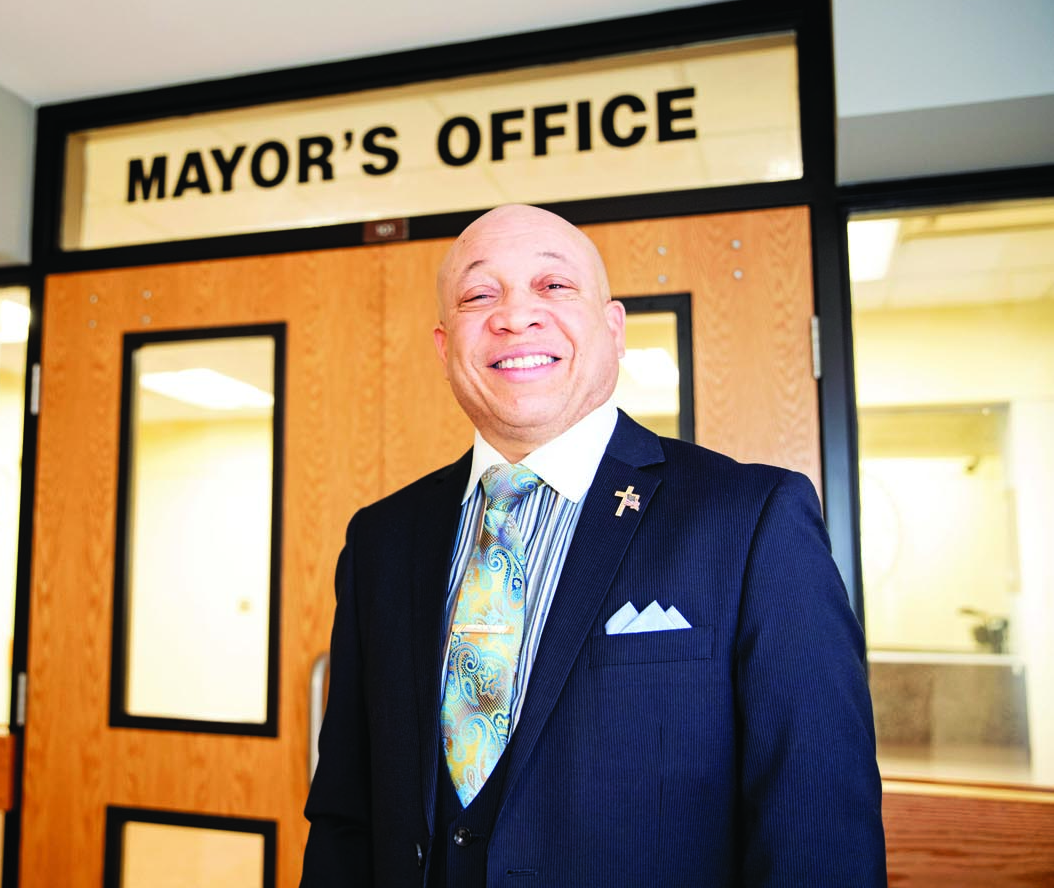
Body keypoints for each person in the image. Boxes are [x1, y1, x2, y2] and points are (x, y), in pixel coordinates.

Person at [300, 204, 886, 887]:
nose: (515, 316)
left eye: (553, 286)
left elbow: (819, 824)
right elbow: (345, 814)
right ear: (443, 346)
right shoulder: (381, 538)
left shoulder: (753, 518)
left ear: (614, 329)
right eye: (479, 295)